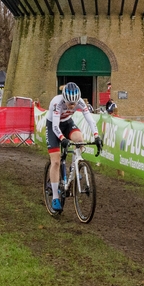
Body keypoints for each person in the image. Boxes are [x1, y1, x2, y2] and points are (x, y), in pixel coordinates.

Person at [45, 81, 87, 213]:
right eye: (70, 103)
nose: (72, 105)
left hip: (67, 122)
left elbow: (89, 119)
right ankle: (56, 198)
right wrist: (62, 139)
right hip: (53, 126)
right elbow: (55, 127)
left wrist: (97, 136)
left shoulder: (79, 101)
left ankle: (75, 164)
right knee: (56, 161)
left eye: (74, 103)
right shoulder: (56, 102)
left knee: (80, 140)